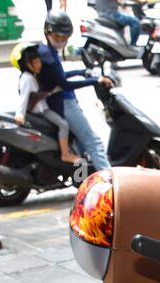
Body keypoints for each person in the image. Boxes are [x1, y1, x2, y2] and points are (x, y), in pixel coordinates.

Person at [36, 10, 113, 171]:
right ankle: (110, 183)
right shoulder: (48, 56)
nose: (62, 41)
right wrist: (95, 80)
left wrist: (80, 72)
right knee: (93, 143)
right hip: (64, 104)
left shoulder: (46, 51)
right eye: (58, 37)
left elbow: (59, 76)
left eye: (65, 38)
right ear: (47, 32)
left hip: (58, 103)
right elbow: (64, 84)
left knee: (80, 144)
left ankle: (83, 178)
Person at [14, 44, 80, 165]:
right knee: (64, 125)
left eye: (40, 61)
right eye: (36, 62)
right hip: (40, 110)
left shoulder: (32, 75)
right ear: (28, 64)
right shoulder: (27, 78)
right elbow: (24, 97)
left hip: (42, 108)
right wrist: (20, 114)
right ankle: (65, 154)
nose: (40, 65)